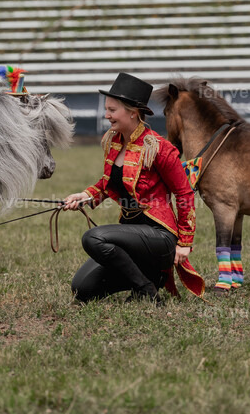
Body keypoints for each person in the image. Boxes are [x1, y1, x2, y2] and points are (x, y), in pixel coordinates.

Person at [63, 72, 201, 305]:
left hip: (160, 237)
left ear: (133, 112)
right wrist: (84, 196)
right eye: (106, 109)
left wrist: (184, 243)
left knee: (93, 238)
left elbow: (184, 194)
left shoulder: (158, 147)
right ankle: (150, 277)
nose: (106, 115)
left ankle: (146, 289)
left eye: (112, 110)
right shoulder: (113, 142)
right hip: (132, 235)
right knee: (82, 289)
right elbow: (108, 183)